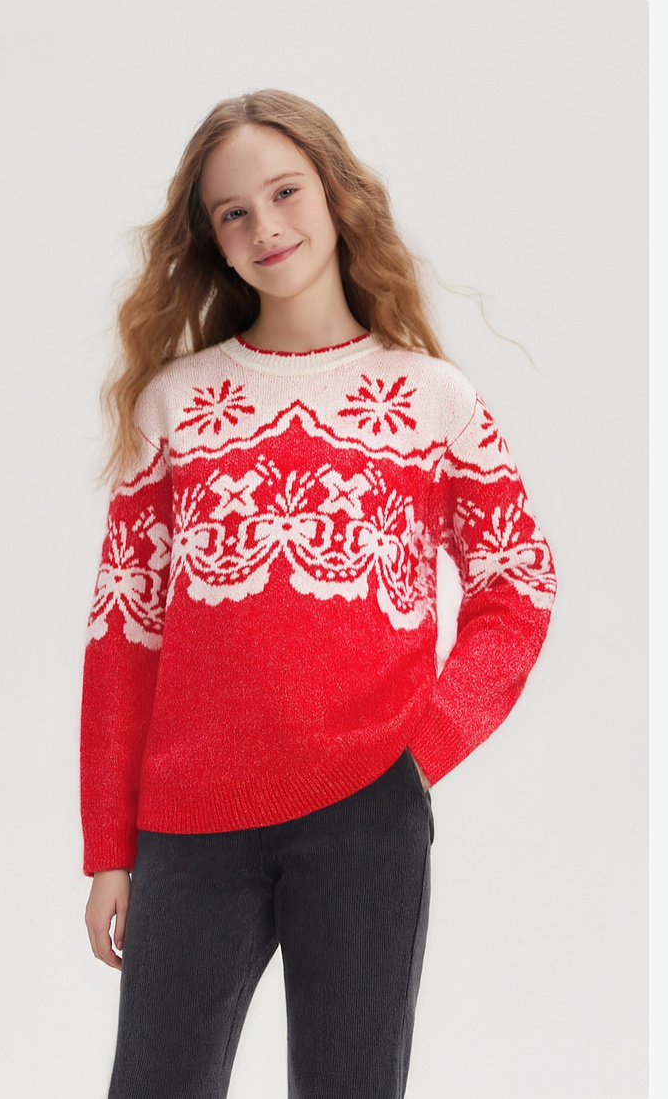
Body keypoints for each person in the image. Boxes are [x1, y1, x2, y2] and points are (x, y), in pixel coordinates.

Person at [80, 88, 557, 1099]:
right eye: (233, 212)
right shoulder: (176, 405)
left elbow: (517, 581)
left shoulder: (429, 397)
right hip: (188, 827)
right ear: (212, 240)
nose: (265, 225)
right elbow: (125, 633)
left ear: (337, 194)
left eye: (285, 191)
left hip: (365, 815)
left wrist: (420, 754)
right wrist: (109, 850)